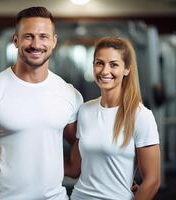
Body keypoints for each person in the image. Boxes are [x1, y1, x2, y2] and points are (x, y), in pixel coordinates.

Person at [0, 7, 83, 200]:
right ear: (16, 40)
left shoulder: (69, 93)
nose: (36, 43)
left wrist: (71, 168)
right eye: (28, 36)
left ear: (54, 41)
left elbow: (80, 142)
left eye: (43, 36)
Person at [65, 37, 161, 200]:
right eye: (99, 63)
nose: (104, 71)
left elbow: (152, 181)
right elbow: (75, 168)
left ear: (126, 69)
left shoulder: (141, 116)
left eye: (114, 64)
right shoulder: (85, 110)